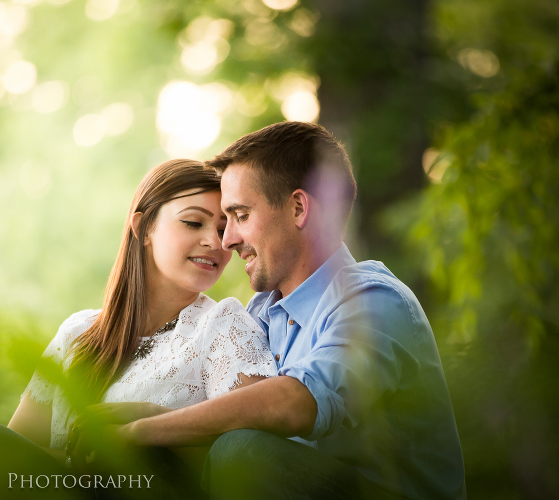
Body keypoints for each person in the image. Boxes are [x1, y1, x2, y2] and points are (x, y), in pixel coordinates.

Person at [0, 159, 277, 500]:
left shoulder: (224, 324)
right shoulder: (79, 333)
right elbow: (18, 450)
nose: (215, 241)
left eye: (223, 229)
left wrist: (149, 423)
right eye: (193, 222)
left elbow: (248, 455)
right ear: (143, 227)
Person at [88, 122, 466, 500]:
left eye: (240, 216)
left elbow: (296, 403)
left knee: (242, 452)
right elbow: (226, 414)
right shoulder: (262, 314)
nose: (227, 240)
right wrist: (142, 419)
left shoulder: (373, 301)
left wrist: (140, 430)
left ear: (298, 208)